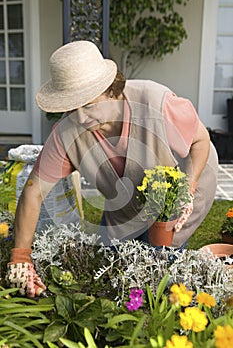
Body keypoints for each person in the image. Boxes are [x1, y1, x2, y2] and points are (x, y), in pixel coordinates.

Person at [6, 40, 218, 297]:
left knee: (160, 268)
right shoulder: (67, 132)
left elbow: (200, 139)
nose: (82, 118)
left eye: (89, 105)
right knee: (112, 266)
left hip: (181, 185)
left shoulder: (156, 103)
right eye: (73, 108)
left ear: (112, 91)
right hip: (124, 194)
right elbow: (33, 192)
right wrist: (20, 258)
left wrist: (189, 187)